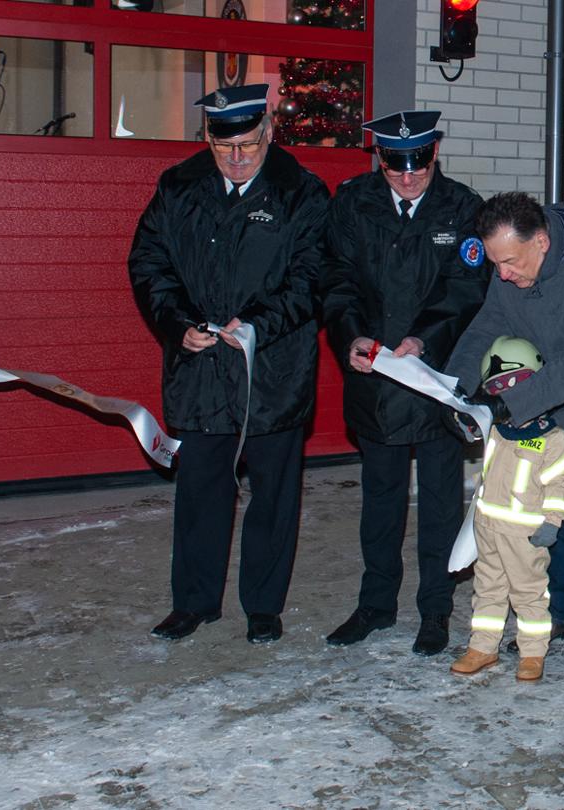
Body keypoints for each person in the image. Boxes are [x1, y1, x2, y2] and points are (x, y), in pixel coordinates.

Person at [128, 84, 328, 645]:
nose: (237, 156)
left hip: (272, 373)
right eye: (224, 146)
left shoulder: (301, 193)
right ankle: (194, 603)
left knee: (273, 495)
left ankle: (263, 606)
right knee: (200, 492)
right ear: (207, 139)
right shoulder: (178, 187)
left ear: (268, 130)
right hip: (199, 369)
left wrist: (258, 324)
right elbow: (149, 262)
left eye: (247, 143)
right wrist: (175, 323)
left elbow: (312, 276)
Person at [445, 191, 564, 670]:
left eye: (510, 262)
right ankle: (561, 614)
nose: (504, 274)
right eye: (496, 264)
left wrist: (507, 405)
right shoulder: (511, 262)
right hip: (551, 412)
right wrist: (455, 387)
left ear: (543, 241)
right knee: (553, 520)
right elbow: (487, 322)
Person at [319, 110, 488, 656]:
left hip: (434, 378)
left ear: (434, 154)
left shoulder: (462, 207)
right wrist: (351, 336)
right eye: (396, 165)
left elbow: (466, 287)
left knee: (440, 501)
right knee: (381, 499)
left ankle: (435, 609)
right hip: (375, 378)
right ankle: (375, 605)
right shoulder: (352, 203)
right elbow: (336, 280)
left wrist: (423, 340)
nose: (408, 176)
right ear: (379, 158)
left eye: (418, 164)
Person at [447, 337, 564, 683]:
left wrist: (551, 522)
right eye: (497, 388)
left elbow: (558, 485)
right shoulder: (498, 430)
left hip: (524, 535)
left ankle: (533, 653)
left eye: (515, 385)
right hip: (488, 527)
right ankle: (483, 646)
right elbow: (475, 439)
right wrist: (466, 421)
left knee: (529, 594)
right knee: (487, 589)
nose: (507, 394)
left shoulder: (551, 438)